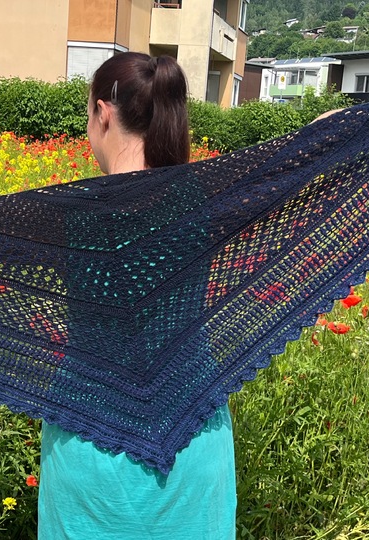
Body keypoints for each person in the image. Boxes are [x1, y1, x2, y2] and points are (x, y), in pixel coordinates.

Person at [37, 52, 237, 540]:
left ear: (104, 113)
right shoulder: (206, 203)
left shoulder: (71, 214)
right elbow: (323, 138)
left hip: (90, 442)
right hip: (193, 437)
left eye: (88, 115)